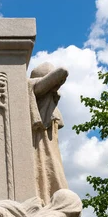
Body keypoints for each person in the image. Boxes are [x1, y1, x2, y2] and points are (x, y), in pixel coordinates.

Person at [28, 62, 69, 206]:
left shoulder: (48, 98)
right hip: (40, 142)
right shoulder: (35, 87)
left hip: (49, 144)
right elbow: (62, 70)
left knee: (53, 174)